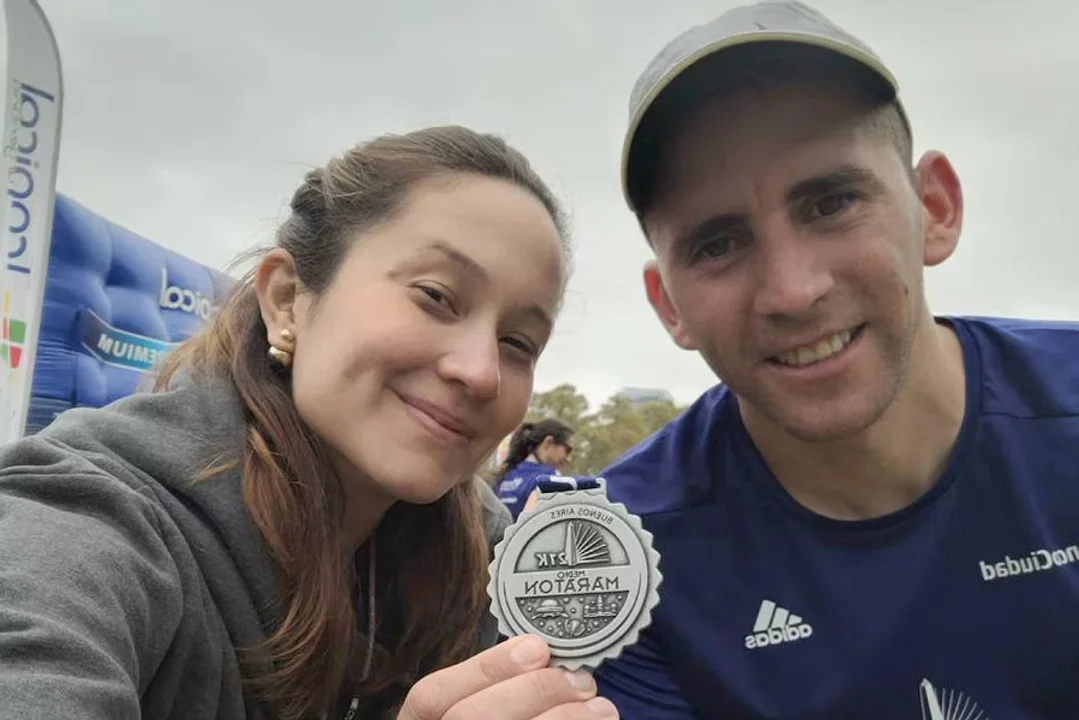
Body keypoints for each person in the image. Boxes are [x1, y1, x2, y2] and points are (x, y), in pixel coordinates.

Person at [0, 126, 619, 720]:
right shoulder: (86, 524)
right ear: (286, 298)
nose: (481, 373)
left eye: (519, 342)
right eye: (435, 295)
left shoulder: (486, 559)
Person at [592, 1, 1079, 718]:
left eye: (831, 203)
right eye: (717, 244)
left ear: (934, 208)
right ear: (669, 307)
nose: (792, 292)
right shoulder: (622, 559)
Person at [493, 418, 575, 519]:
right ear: (548, 442)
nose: (569, 459)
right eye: (568, 450)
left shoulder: (503, 475)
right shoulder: (549, 479)